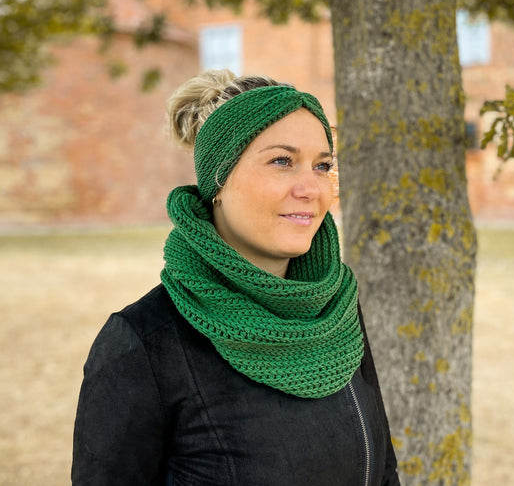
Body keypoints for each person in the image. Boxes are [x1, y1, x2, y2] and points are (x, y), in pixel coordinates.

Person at [72, 70, 401, 486]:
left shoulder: (336, 310)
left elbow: (383, 472)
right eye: (282, 161)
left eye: (322, 166)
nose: (312, 189)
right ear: (218, 181)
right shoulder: (143, 342)